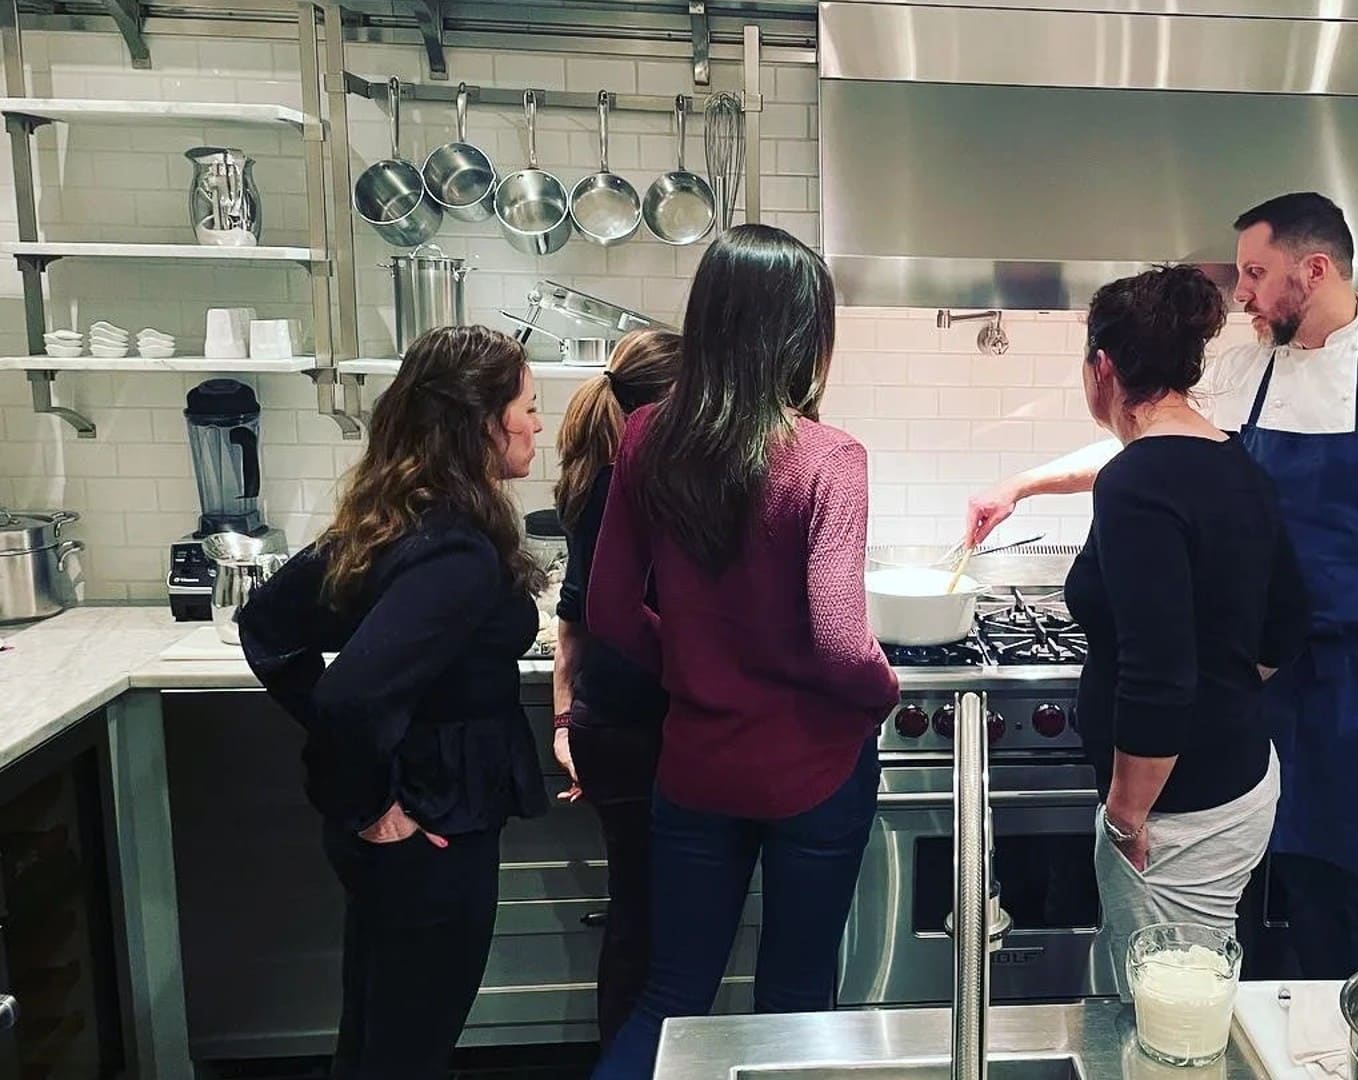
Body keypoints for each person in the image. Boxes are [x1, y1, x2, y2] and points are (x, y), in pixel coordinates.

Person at [968, 193, 1358, 979]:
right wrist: (1027, 483)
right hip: (1257, 689)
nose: (1240, 292)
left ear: (1313, 271)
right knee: (1231, 935)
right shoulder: (1247, 367)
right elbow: (1157, 446)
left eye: (1255, 273)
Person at [586, 224, 899, 1078]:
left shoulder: (648, 433)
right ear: (804, 335)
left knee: (671, 996)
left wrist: (690, 669)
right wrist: (879, 692)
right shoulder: (830, 458)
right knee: (796, 1004)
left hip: (696, 763)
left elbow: (608, 610)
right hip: (816, 770)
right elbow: (840, 639)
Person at [237, 325, 548, 1078]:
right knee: (408, 1051)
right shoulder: (456, 551)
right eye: (530, 408)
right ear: (482, 422)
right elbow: (348, 697)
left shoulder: (398, 516)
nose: (540, 425)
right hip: (428, 833)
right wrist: (377, 802)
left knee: (376, 1039)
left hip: (410, 829)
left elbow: (267, 623)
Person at [1066, 264, 1308, 993]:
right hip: (1233, 780)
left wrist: (1125, 813)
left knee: (1168, 1017)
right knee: (1184, 996)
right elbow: (1287, 621)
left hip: (1178, 812)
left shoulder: (1136, 481)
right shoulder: (1234, 461)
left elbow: (1159, 672)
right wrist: (1221, 692)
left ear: (1102, 367)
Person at [550, 328, 682, 1045]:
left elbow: (573, 614)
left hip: (611, 721)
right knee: (648, 920)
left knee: (640, 909)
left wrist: (567, 719)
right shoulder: (635, 487)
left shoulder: (595, 477)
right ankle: (634, 1061)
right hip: (640, 725)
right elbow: (604, 614)